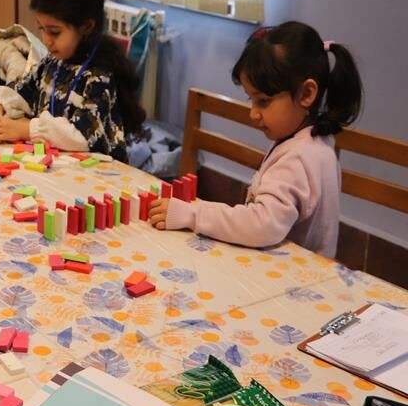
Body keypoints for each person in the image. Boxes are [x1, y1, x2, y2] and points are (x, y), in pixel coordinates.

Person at [150, 22, 363, 258]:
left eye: (263, 101)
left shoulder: (298, 157)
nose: (253, 113)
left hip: (287, 275)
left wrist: (193, 214)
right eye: (251, 100)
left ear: (306, 94)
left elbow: (262, 224)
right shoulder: (317, 141)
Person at [0, 0, 145, 161]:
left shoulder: (99, 76)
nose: (46, 40)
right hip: (58, 165)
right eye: (41, 28)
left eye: (55, 32)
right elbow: (25, 89)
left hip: (97, 172)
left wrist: (25, 129)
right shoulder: (53, 62)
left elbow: (82, 136)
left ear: (86, 27)